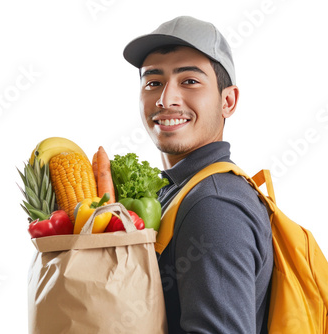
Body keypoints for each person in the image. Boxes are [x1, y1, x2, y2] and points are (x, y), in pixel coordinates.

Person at [123, 16, 274, 333]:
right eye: (153, 82)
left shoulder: (214, 205)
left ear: (228, 101)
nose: (166, 99)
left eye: (189, 81)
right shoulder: (180, 191)